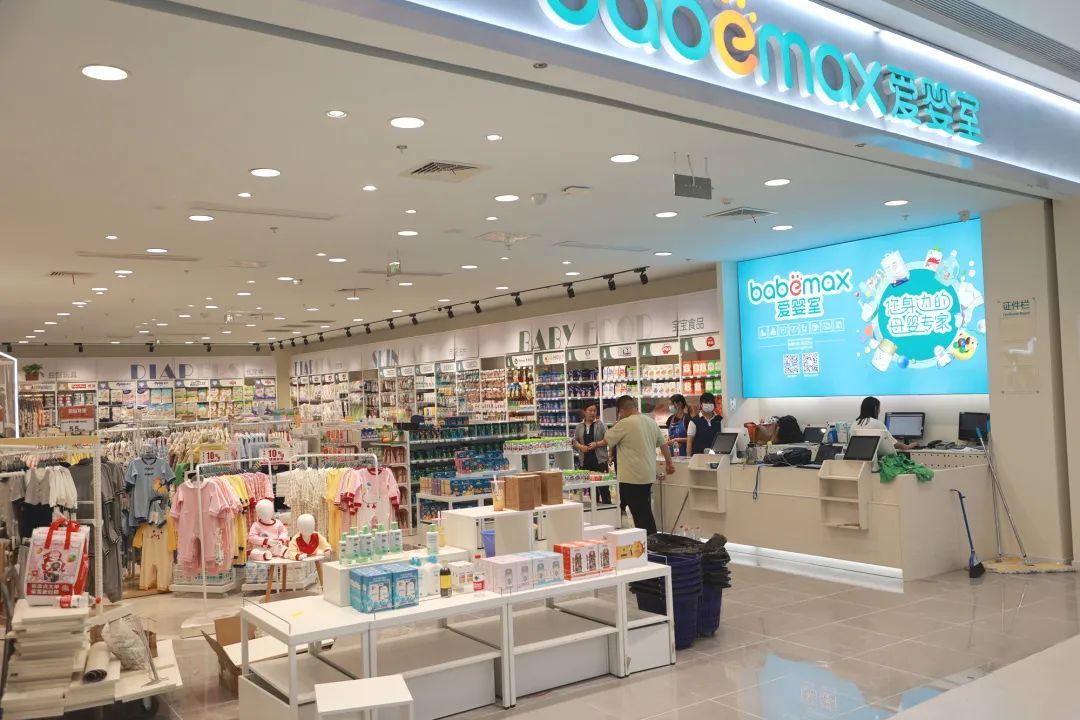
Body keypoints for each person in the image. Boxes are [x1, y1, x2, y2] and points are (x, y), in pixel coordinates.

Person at [593, 395, 675, 536]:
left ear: (621, 411)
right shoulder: (650, 422)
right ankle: (650, 540)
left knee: (641, 514)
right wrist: (669, 463)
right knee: (643, 510)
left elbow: (607, 438)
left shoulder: (624, 423)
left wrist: (619, 420)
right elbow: (663, 444)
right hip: (647, 475)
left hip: (631, 477)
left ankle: (649, 541)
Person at [573, 403, 611, 504]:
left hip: (600, 461)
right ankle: (594, 507)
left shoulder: (600, 424)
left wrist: (596, 444)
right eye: (590, 410)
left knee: (604, 487)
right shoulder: (579, 426)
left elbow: (608, 439)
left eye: (594, 411)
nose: (593, 413)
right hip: (586, 461)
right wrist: (581, 447)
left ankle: (607, 507)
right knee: (591, 489)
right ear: (584, 412)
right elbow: (575, 441)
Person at [687, 392, 723, 456]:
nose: (708, 404)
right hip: (699, 457)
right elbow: (689, 442)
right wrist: (689, 458)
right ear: (701, 404)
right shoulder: (694, 421)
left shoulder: (720, 420)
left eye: (710, 402)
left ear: (714, 405)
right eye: (706, 402)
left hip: (717, 457)